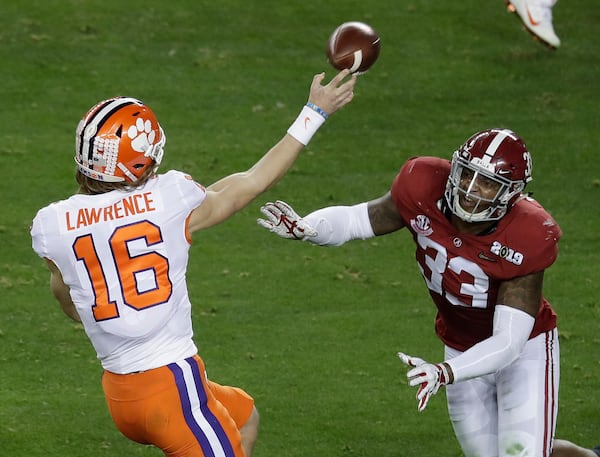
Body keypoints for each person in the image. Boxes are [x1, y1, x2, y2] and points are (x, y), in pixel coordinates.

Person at [30, 69, 356, 456]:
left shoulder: (53, 225)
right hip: (171, 386)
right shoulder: (170, 199)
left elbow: (67, 300)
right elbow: (250, 182)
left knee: (243, 415)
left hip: (121, 393)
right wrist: (313, 112)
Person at [257, 127, 570, 456]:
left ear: (512, 193)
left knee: (522, 453)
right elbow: (356, 220)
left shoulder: (528, 233)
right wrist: (311, 229)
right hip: (459, 345)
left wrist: (444, 372)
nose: (470, 190)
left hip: (525, 353)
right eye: (466, 174)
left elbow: (508, 342)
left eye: (488, 183)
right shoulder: (422, 185)